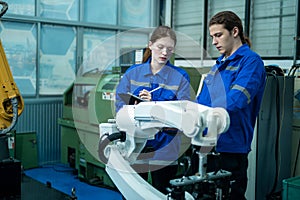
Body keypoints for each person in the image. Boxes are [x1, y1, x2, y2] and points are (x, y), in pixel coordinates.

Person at [195, 11, 266, 199]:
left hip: (231, 146)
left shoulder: (251, 62)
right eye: (212, 37)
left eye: (218, 35)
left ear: (235, 31)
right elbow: (201, 101)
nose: (214, 42)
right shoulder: (218, 65)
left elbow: (236, 99)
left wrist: (201, 114)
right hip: (207, 143)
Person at [115, 25, 191, 194]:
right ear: (150, 45)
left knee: (163, 193)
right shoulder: (132, 73)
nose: (164, 53)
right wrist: (135, 106)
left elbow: (183, 111)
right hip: (135, 146)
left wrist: (154, 103)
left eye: (169, 49)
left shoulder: (180, 77)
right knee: (132, 193)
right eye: (160, 47)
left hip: (165, 148)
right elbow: (119, 107)